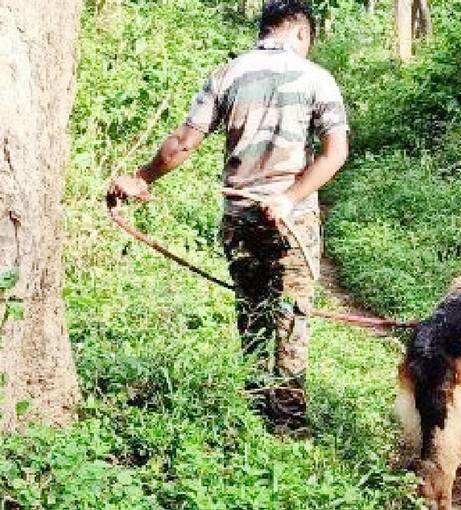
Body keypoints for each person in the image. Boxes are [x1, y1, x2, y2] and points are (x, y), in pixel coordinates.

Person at [108, 0, 348, 434]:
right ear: (300, 32)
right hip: (294, 222)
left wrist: (141, 178)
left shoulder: (229, 73)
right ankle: (289, 426)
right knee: (292, 317)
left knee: (252, 312)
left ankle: (257, 414)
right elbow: (336, 153)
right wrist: (291, 198)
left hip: (240, 216)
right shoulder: (319, 79)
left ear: (264, 30)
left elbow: (182, 143)